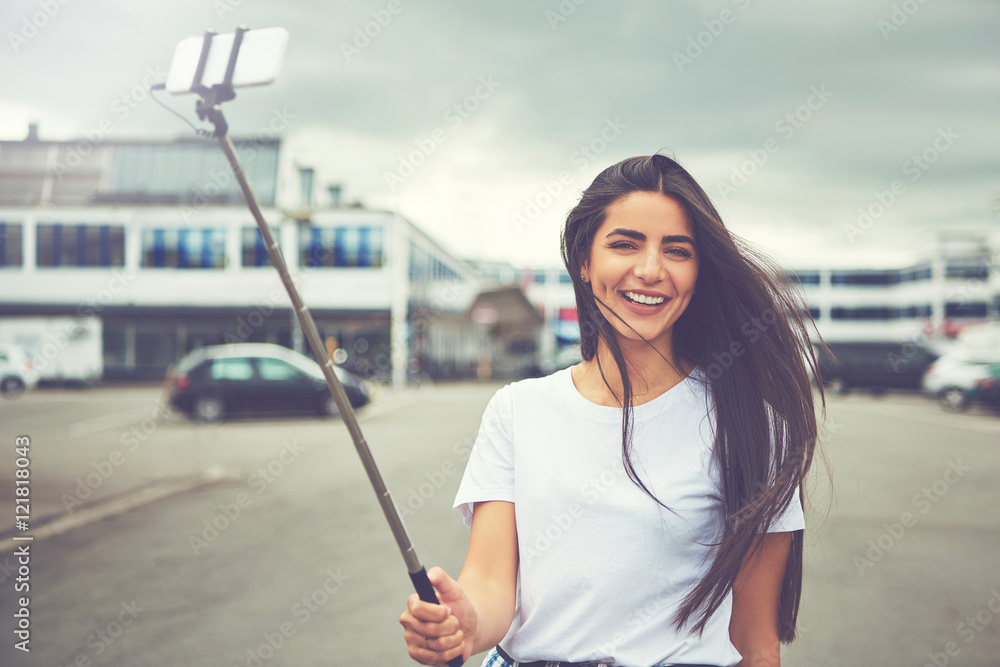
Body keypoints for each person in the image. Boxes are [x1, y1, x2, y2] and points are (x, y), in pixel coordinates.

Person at [399, 154, 826, 667]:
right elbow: (491, 583)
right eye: (624, 244)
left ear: (699, 272)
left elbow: (756, 644)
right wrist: (465, 622)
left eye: (677, 250)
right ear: (584, 260)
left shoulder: (756, 427)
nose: (649, 270)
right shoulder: (517, 410)